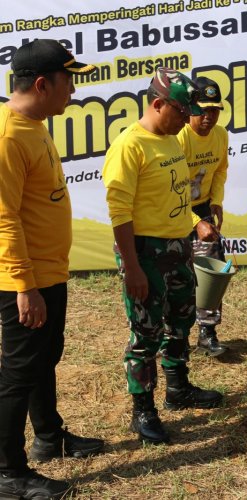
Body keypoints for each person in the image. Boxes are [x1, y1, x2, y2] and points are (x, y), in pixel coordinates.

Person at [0, 39, 104, 499]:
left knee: (44, 358)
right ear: (42, 84)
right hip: (24, 280)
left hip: (48, 272)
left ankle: (48, 436)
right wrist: (24, 286)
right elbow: (3, 218)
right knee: (19, 373)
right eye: (69, 81)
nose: (74, 92)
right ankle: (8, 473)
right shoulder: (8, 136)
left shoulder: (34, 123)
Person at [103, 68, 223, 446]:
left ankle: (178, 389)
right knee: (145, 334)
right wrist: (133, 268)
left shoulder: (171, 140)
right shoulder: (129, 146)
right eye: (181, 111)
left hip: (177, 248)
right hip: (145, 253)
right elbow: (119, 214)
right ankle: (143, 412)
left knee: (181, 319)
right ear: (157, 104)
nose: (188, 118)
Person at [177, 76, 230, 358]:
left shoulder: (221, 135)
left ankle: (207, 334)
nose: (209, 116)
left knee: (212, 271)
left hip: (203, 208)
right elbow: (167, 191)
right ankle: (174, 337)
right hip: (174, 212)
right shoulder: (179, 136)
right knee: (176, 274)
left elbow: (220, 170)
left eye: (215, 110)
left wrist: (216, 202)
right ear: (190, 109)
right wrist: (195, 224)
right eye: (204, 109)